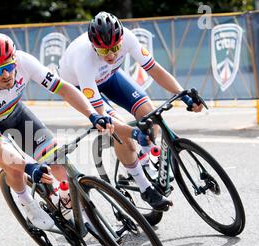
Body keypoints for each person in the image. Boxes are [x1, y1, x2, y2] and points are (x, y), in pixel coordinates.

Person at [0, 33, 114, 231]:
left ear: (15, 60)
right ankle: (28, 204)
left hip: (15, 111)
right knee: (14, 167)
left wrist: (93, 115)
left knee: (56, 158)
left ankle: (65, 199)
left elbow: (64, 89)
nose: (6, 74)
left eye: (9, 67)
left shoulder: (25, 62)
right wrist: (28, 167)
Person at [59, 11, 205, 211]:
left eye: (115, 48)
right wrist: (134, 132)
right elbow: (103, 118)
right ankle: (145, 187)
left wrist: (183, 94)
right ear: (94, 47)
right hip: (79, 86)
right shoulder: (83, 60)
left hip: (110, 76)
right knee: (122, 134)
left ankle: (143, 161)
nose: (110, 55)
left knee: (151, 115)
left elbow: (155, 70)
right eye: (103, 51)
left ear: (121, 40)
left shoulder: (128, 36)